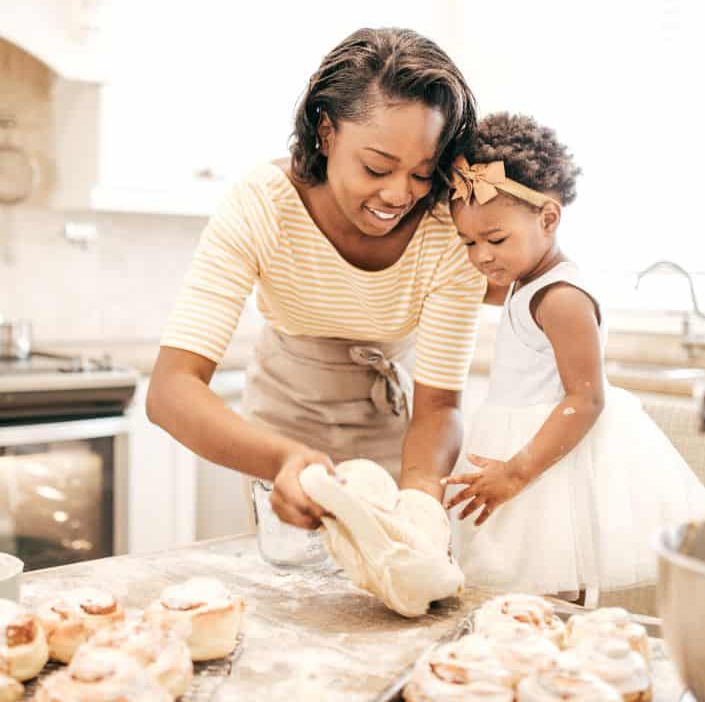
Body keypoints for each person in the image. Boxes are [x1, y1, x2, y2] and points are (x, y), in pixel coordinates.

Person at [146, 27, 488, 530]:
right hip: (281, 429)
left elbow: (438, 407)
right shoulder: (263, 205)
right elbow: (171, 389)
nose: (399, 194)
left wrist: (420, 500)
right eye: (377, 167)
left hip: (400, 438)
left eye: (421, 173)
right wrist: (283, 460)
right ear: (326, 132)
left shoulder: (450, 228)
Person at [443, 112, 705, 597]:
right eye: (468, 241)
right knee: (513, 585)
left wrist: (515, 473)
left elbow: (586, 399)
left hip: (544, 461)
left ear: (548, 218)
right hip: (518, 451)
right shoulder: (525, 281)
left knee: (549, 584)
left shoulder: (561, 297)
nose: (481, 256)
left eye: (495, 239)